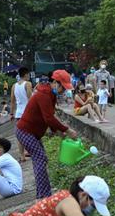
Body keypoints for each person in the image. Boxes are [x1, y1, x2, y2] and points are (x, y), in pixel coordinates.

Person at [16, 69, 78, 199]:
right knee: (40, 158)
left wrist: (58, 131)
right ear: (55, 82)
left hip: (32, 133)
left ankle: (44, 194)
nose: (63, 91)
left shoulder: (50, 94)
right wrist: (67, 130)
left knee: (41, 159)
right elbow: (49, 118)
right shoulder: (44, 94)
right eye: (62, 87)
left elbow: (49, 116)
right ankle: (43, 196)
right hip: (25, 131)